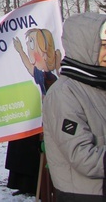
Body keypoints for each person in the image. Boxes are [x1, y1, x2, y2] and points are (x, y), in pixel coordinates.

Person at [42, 12, 106, 201]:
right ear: (84, 46)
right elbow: (83, 156)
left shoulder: (99, 84)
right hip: (84, 194)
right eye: (102, 46)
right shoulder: (64, 93)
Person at [6, 27, 61, 195]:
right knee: (20, 149)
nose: (29, 47)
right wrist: (20, 50)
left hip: (44, 120)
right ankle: (21, 184)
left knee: (33, 153)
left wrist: (20, 51)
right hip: (29, 113)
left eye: (31, 43)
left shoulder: (48, 76)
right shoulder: (40, 74)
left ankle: (34, 186)